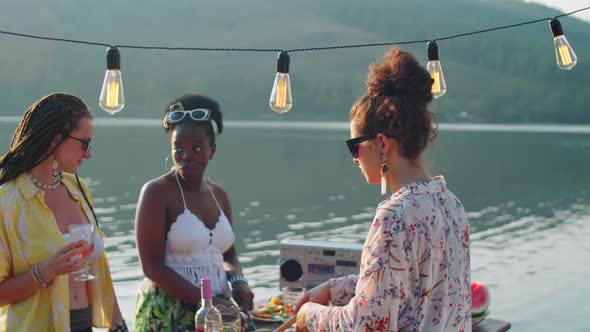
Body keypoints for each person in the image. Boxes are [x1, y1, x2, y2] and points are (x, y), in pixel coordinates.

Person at [294, 48, 472, 331]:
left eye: (355, 146)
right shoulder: (451, 204)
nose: (354, 158)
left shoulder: (394, 216)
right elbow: (405, 285)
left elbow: (362, 325)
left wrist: (310, 315)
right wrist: (335, 288)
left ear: (381, 144)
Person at [0, 92, 126, 332]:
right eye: (84, 144)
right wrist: (46, 271)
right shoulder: (7, 202)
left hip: (82, 323)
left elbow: (100, 270)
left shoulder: (79, 189)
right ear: (55, 140)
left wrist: (118, 326)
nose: (88, 154)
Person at [133, 94, 254, 331]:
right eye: (179, 147)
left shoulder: (218, 195)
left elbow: (229, 257)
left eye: (197, 148)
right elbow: (152, 267)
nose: (186, 156)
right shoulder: (156, 193)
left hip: (217, 310)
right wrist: (206, 301)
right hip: (169, 314)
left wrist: (239, 282)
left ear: (212, 150)